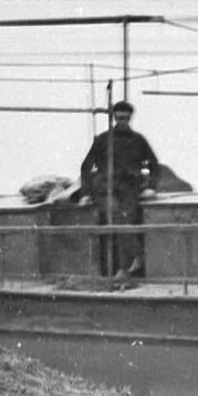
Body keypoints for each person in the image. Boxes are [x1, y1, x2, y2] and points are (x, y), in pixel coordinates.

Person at [78, 99, 160, 277]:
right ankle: (137, 256)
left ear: (130, 118)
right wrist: (86, 193)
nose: (122, 121)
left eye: (125, 118)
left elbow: (154, 165)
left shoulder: (138, 140)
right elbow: (86, 167)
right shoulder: (102, 140)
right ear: (114, 118)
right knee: (117, 216)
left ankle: (124, 269)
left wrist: (151, 187)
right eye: (119, 118)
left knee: (126, 223)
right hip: (105, 189)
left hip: (130, 190)